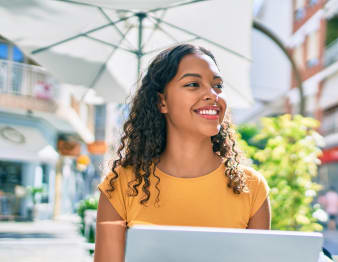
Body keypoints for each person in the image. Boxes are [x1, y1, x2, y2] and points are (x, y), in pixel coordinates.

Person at [94, 44, 271, 262]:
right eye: (193, 84)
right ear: (162, 102)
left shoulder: (251, 187)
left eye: (218, 85)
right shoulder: (121, 184)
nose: (212, 94)